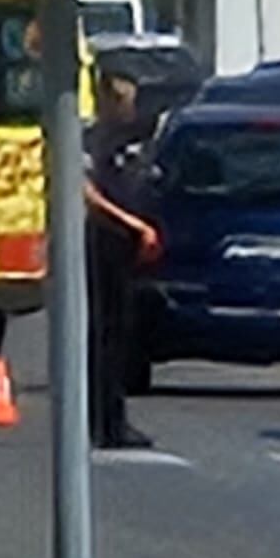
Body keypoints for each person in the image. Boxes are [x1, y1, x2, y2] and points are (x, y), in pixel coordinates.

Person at [86, 69, 160, 449]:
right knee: (103, 335)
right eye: (126, 100)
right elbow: (86, 192)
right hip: (101, 242)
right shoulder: (91, 139)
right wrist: (134, 224)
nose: (132, 108)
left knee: (120, 337)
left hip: (126, 248)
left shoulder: (129, 141)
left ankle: (114, 419)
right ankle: (102, 422)